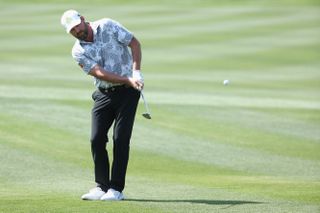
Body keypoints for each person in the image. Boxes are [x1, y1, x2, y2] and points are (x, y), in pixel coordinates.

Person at [60, 9, 144, 201]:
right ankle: (101, 186)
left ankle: (116, 189)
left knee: (120, 139)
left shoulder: (107, 25)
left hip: (128, 93)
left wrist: (136, 73)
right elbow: (98, 72)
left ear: (82, 19)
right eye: (71, 30)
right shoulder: (77, 51)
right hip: (103, 93)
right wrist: (126, 79)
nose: (76, 31)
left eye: (76, 26)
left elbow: (134, 43)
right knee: (96, 139)